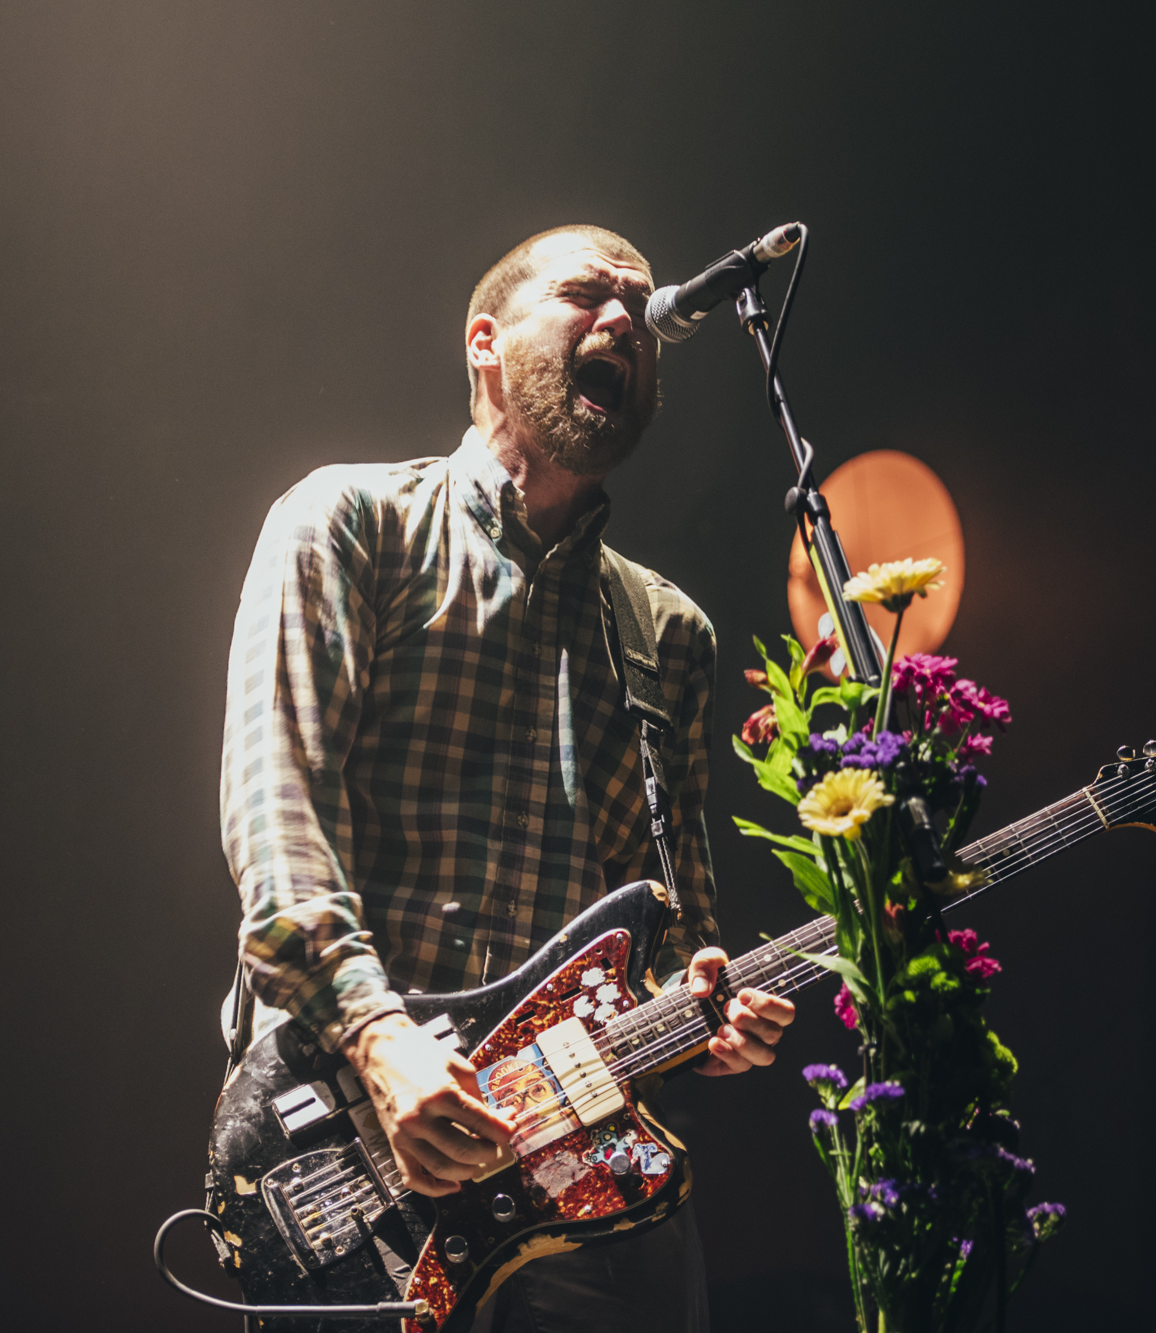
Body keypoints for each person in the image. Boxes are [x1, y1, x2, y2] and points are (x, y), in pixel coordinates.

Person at [220, 224, 796, 1331]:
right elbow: (277, 816)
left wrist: (705, 1010)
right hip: (353, 1138)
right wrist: (381, 1043)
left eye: (640, 305)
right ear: (484, 344)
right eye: (587, 294)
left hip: (582, 1179)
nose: (626, 319)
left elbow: (671, 921)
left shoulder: (666, 631)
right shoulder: (348, 527)